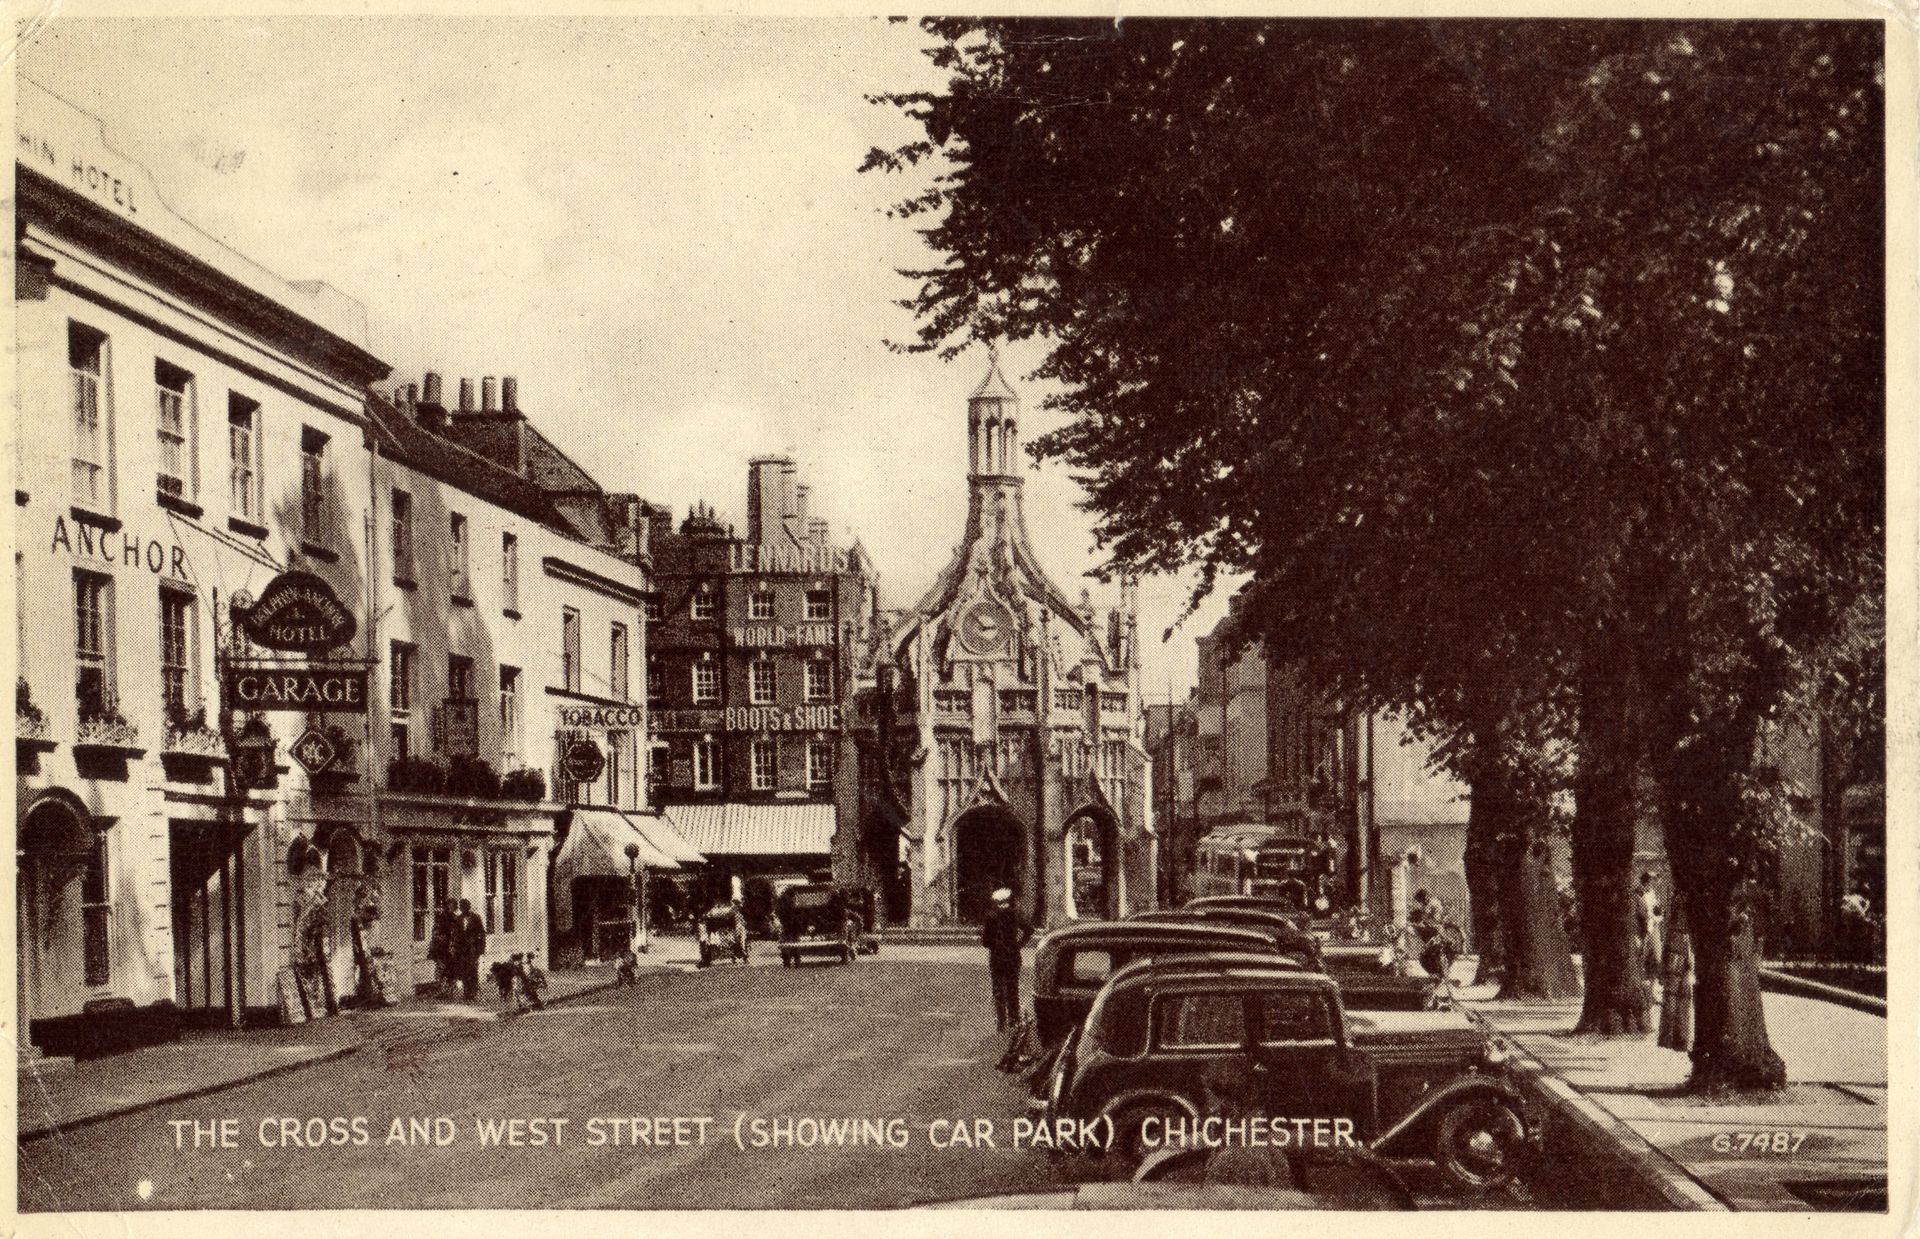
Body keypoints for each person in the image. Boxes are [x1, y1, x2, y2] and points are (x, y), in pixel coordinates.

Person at [980, 887, 1033, 1031]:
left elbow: (985, 941)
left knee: (998, 989)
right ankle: (1014, 1019)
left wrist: (993, 943)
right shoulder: (1015, 914)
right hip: (1013, 956)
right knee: (1012, 988)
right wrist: (1019, 944)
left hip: (997, 957)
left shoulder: (991, 917)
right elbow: (1029, 930)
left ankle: (1001, 1022)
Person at [1657, 896, 1693, 1052]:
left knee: (1677, 993)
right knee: (1680, 993)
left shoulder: (1676, 896)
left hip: (1677, 945)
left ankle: (1672, 1037)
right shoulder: (1685, 897)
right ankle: (1678, 1037)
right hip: (1682, 945)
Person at [453, 899, 486, 1000]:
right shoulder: (458, 919)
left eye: (466, 906)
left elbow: (481, 933)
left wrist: (480, 949)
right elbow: (456, 934)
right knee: (464, 971)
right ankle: (466, 993)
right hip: (462, 950)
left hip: (473, 949)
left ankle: (473, 993)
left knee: (473, 971)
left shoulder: (476, 918)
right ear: (461, 908)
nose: (464, 909)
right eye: (462, 907)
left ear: (469, 907)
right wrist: (456, 948)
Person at [1636, 872, 1663, 979]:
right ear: (1646, 881)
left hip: (1653, 926)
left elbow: (1656, 909)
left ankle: (1655, 978)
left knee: (1657, 954)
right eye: (1652, 880)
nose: (1653, 882)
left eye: (1653, 880)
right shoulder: (1638, 893)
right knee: (1641, 952)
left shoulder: (1651, 892)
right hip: (1643, 927)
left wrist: (1658, 916)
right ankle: (1641, 977)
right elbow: (1642, 913)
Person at [428, 904, 456, 998]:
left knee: (451, 971)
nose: (449, 910)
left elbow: (457, 934)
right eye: (448, 908)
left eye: (452, 908)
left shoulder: (455, 919)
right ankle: (439, 990)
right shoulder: (440, 920)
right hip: (441, 949)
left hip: (451, 950)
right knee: (440, 970)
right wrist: (442, 939)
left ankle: (449, 992)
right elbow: (435, 934)